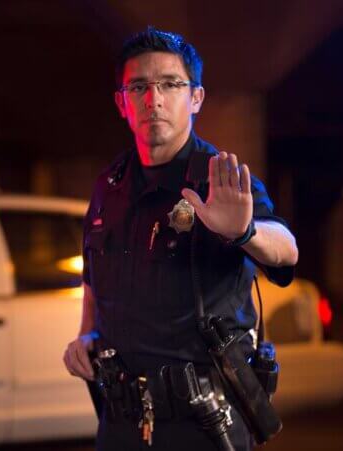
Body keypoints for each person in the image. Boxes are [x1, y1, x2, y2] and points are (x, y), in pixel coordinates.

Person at [62, 27, 299, 451]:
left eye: (170, 84)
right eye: (139, 87)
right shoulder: (108, 186)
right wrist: (86, 334)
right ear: (122, 102)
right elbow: (94, 273)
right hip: (121, 421)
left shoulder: (218, 176)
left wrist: (243, 233)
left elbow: (286, 247)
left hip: (204, 422)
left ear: (195, 98)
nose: (154, 99)